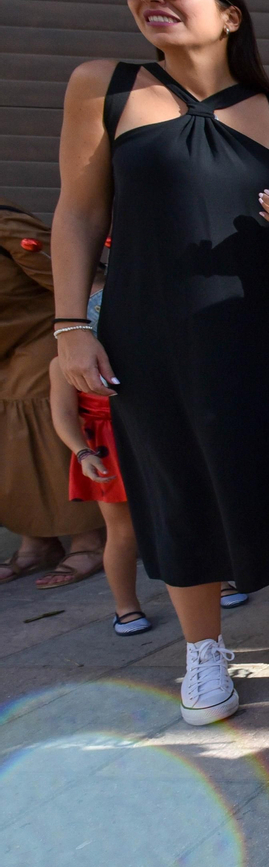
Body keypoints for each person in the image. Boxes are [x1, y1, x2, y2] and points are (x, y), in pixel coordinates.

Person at [51, 0, 269, 726]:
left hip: (266, 324)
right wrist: (68, 326)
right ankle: (204, 651)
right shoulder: (107, 86)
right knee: (174, 477)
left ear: (229, 14)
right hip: (151, 326)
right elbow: (79, 209)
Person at [0, 200, 105, 587]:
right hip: (5, 346)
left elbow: (73, 274)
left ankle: (87, 538)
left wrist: (78, 330)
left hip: (43, 335)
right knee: (9, 437)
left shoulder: (5, 225)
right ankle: (36, 540)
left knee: (35, 408)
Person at [46, 274, 146, 633]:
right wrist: (83, 452)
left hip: (151, 438)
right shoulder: (63, 364)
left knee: (185, 514)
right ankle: (126, 606)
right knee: (121, 531)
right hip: (106, 446)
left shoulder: (141, 344)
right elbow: (63, 415)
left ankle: (216, 582)